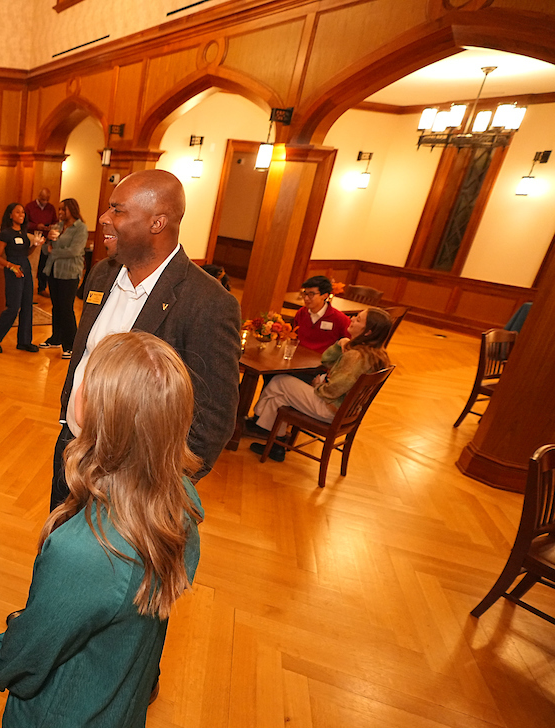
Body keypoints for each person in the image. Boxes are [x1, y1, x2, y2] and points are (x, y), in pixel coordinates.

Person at [0, 331, 203, 728]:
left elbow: (29, 655)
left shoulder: (86, 550)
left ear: (108, 418)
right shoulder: (180, 501)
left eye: (86, 377)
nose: (74, 384)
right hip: (105, 711)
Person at [51, 169, 240, 509]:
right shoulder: (102, 274)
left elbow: (215, 414)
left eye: (117, 210)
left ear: (157, 223)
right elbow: (85, 357)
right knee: (59, 546)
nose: (104, 218)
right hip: (72, 450)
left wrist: (164, 482)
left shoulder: (207, 303)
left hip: (136, 477)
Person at [249, 306, 392, 462]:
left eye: (358, 320)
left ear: (368, 331)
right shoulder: (375, 353)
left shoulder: (355, 357)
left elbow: (332, 391)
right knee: (280, 398)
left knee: (279, 381)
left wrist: (318, 385)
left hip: (330, 409)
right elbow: (326, 361)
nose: (351, 319)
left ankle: (258, 422)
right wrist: (340, 343)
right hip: (347, 411)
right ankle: (276, 446)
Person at [38, 198, 88, 358]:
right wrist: (47, 243)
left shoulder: (80, 228)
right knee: (56, 307)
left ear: (71, 210)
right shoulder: (57, 227)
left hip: (70, 273)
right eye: (59, 210)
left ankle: (71, 345)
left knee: (66, 308)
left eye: (62, 210)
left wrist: (54, 251)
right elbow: (46, 250)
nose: (59, 213)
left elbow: (74, 251)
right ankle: (55, 338)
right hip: (53, 271)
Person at [0, 202, 39, 354]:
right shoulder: (6, 233)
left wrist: (35, 245)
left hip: (26, 269)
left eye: (23, 213)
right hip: (13, 270)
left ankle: (24, 341)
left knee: (27, 305)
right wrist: (11, 266)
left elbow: (26, 253)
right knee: (14, 307)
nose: (21, 215)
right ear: (10, 215)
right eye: (17, 212)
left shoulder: (23, 232)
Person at [293, 275, 350, 352]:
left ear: (324, 296)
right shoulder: (301, 313)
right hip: (299, 357)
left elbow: (348, 344)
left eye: (311, 294)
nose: (306, 298)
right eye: (305, 294)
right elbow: (294, 338)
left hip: (323, 361)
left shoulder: (340, 319)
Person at [26, 188, 58, 297]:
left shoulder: (51, 208)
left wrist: (50, 227)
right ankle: (30, 288)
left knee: (44, 264)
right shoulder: (30, 207)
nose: (45, 201)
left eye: (47, 199)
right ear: (39, 196)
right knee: (34, 264)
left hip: (46, 240)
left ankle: (42, 287)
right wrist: (36, 226)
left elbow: (55, 221)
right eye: (43, 199)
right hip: (33, 238)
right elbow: (25, 224)